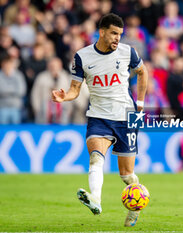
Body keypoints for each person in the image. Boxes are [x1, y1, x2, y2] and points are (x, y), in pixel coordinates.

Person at [51, 13, 148, 227]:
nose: (117, 38)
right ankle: (96, 199)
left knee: (127, 175)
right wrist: (64, 96)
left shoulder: (128, 52)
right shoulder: (82, 57)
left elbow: (143, 73)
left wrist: (140, 105)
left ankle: (136, 206)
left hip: (126, 116)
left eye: (120, 35)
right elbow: (75, 90)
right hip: (98, 116)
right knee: (96, 158)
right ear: (102, 32)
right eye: (113, 33)